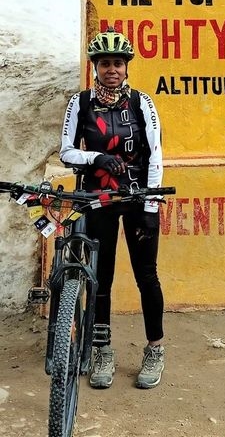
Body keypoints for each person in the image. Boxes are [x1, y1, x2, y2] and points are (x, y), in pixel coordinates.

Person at [59, 27, 165, 390]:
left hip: (137, 198)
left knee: (145, 275)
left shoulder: (141, 103)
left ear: (126, 67)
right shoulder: (81, 103)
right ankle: (102, 349)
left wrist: (151, 203)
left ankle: (155, 348)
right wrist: (97, 157)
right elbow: (67, 152)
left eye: (118, 63)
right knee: (100, 278)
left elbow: (155, 154)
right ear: (95, 67)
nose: (112, 70)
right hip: (99, 199)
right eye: (105, 63)